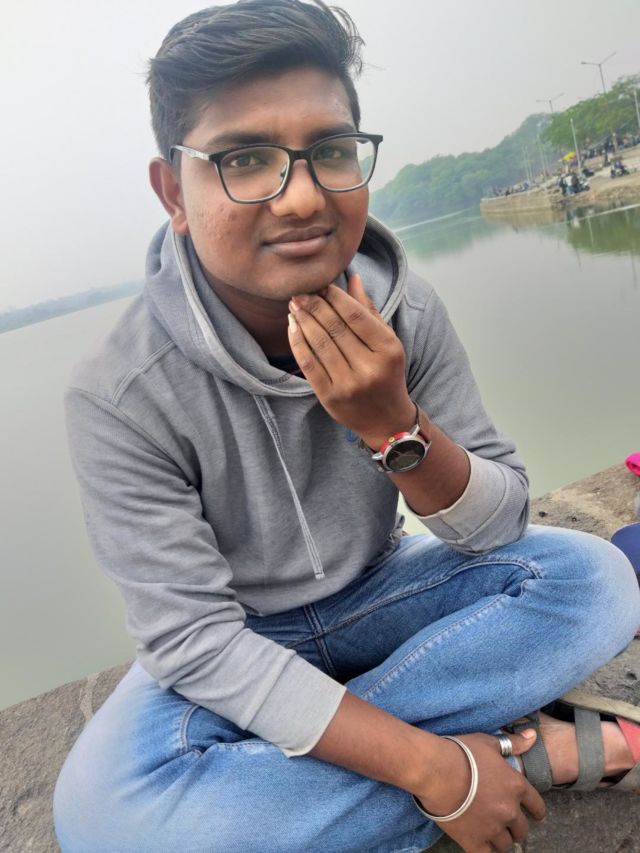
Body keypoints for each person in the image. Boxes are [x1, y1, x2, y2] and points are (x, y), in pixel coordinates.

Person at [52, 2, 640, 851]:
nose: (301, 197)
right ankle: (513, 753)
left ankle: (314, 776)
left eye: (329, 151)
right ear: (174, 191)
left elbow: (500, 524)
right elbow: (196, 641)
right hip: (242, 633)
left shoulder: (405, 308)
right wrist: (436, 770)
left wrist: (393, 425)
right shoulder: (119, 392)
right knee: (102, 822)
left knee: (596, 583)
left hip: (380, 587)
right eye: (244, 159)